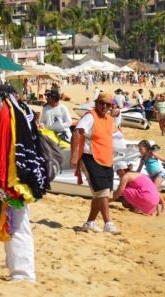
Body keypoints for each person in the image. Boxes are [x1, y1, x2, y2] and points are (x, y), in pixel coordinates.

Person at [0, 85, 49, 282]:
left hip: (16, 179)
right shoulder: (21, 111)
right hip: (21, 176)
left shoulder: (8, 115)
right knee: (13, 222)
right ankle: (15, 267)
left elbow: (1, 143)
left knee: (17, 225)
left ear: (2, 99)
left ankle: (23, 273)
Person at [70, 92, 121, 234]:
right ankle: (108, 223)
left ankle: (90, 222)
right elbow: (76, 133)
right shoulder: (90, 116)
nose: (104, 106)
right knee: (102, 192)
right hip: (90, 157)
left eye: (108, 104)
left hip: (106, 159)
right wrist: (74, 156)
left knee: (101, 194)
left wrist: (117, 113)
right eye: (101, 103)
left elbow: (116, 125)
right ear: (96, 104)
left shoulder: (109, 119)